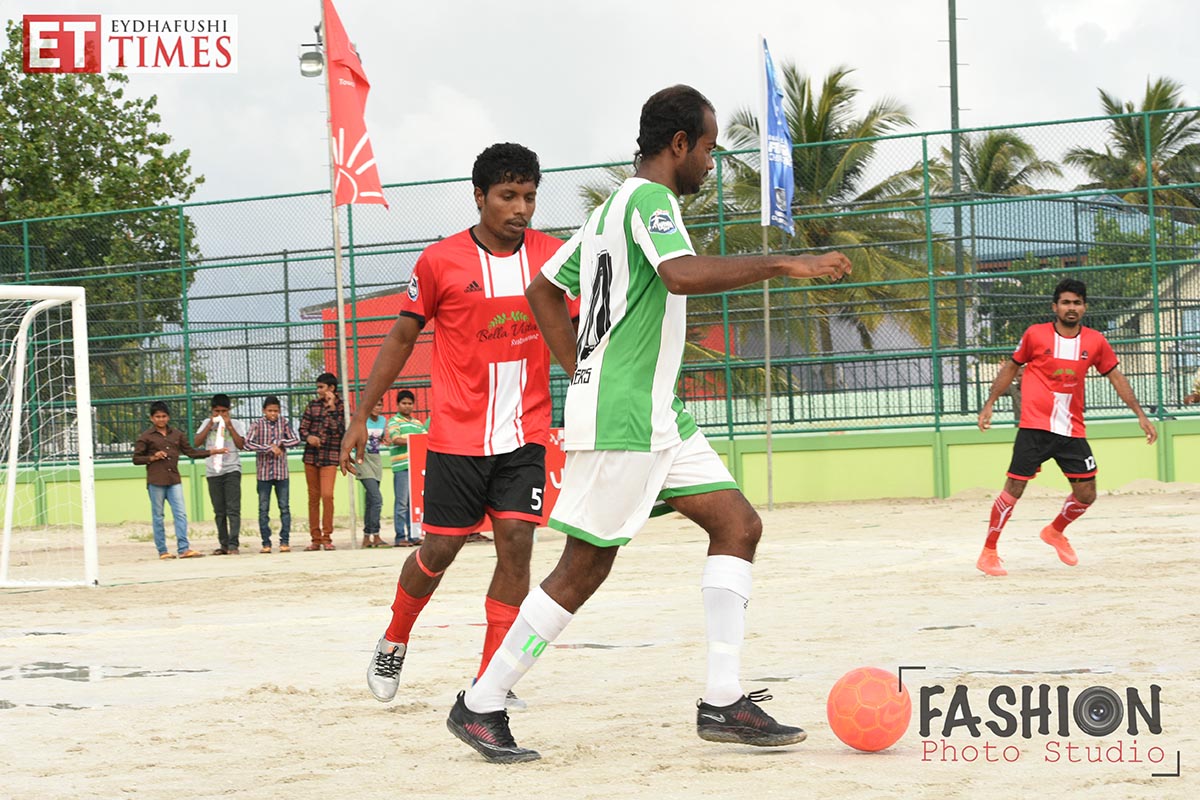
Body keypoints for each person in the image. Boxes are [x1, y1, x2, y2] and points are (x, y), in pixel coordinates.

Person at [446, 85, 853, 763]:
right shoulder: (648, 201)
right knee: (584, 567)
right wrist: (787, 262)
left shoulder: (611, 210)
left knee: (738, 525)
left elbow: (542, 286)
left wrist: (581, 366)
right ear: (679, 144)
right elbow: (679, 274)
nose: (711, 163)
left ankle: (723, 699)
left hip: (655, 411)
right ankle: (482, 702)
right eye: (709, 149)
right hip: (625, 413)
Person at [340, 142, 573, 707]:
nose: (521, 208)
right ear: (479, 196)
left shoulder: (555, 257)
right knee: (440, 550)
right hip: (457, 437)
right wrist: (361, 414)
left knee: (516, 543)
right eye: (508, 196)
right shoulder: (439, 261)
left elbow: (581, 331)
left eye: (530, 197)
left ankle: (491, 681)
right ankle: (395, 637)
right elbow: (401, 338)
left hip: (526, 432)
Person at [975, 278, 1158, 577]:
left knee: (1087, 493)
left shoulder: (1095, 341)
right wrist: (989, 403)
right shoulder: (1035, 335)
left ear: (1084, 307)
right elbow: (1011, 367)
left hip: (1072, 430)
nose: (1071, 308)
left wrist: (1140, 414)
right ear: (1055, 307)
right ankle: (989, 552)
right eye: (1065, 302)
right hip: (1034, 428)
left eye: (1077, 303)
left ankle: (1055, 531)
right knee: (1015, 488)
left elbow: (1116, 377)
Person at [132, 401, 226, 560]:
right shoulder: (146, 437)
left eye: (164, 416)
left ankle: (184, 548)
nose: (161, 419)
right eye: (157, 417)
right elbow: (136, 459)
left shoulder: (177, 434)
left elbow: (191, 452)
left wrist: (213, 452)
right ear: (152, 418)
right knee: (158, 516)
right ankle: (162, 550)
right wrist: (152, 457)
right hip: (156, 481)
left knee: (180, 514)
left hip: (174, 480)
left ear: (168, 417)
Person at [244, 395, 301, 553]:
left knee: (284, 507)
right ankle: (266, 543)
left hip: (281, 473)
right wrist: (268, 448)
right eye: (270, 411)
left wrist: (281, 444)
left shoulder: (284, 423)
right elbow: (247, 443)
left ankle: (285, 541)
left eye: (276, 411)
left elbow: (295, 440)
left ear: (279, 410)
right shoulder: (257, 424)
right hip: (263, 474)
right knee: (263, 509)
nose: (273, 414)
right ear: (264, 411)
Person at [194, 393, 247, 555]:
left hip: (232, 469)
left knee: (233, 509)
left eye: (224, 411)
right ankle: (223, 544)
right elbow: (196, 442)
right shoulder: (206, 423)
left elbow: (241, 445)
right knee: (219, 510)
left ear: (229, 410)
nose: (220, 414)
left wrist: (229, 425)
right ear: (212, 411)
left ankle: (233, 544)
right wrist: (211, 424)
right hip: (213, 471)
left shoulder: (236, 424)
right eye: (217, 411)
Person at [300, 373, 345, 551]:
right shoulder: (312, 406)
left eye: (321, 387)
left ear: (331, 388)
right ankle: (315, 538)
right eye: (317, 387)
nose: (318, 390)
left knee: (327, 495)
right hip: (311, 457)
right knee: (313, 497)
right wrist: (309, 437)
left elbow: (341, 431)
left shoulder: (342, 407)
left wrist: (332, 407)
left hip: (330, 456)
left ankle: (327, 537)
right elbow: (302, 429)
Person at [386, 389, 426, 547]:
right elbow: (395, 439)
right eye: (404, 403)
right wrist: (414, 441)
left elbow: (425, 438)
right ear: (397, 404)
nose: (407, 406)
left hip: (416, 467)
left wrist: (414, 440)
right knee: (402, 503)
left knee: (414, 503)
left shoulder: (418, 423)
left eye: (410, 403)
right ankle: (400, 536)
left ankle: (414, 535)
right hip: (402, 467)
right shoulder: (394, 421)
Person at [359, 398, 388, 548]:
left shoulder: (383, 421)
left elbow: (383, 438)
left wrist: (386, 440)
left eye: (380, 405)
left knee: (370, 501)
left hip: (376, 460)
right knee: (377, 499)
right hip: (363, 460)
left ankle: (366, 537)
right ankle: (375, 534)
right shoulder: (362, 420)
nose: (377, 408)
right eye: (375, 405)